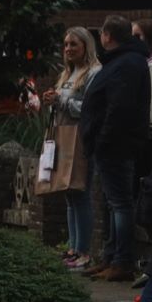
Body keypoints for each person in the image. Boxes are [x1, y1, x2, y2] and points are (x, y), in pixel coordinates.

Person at [80, 16, 151, 282]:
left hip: (116, 145)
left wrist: (103, 139)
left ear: (108, 35)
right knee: (113, 203)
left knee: (121, 203)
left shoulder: (127, 64)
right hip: (111, 144)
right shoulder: (123, 61)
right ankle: (111, 257)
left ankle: (122, 261)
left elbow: (119, 106)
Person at [40, 27, 100, 270]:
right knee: (68, 193)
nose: (68, 49)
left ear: (86, 46)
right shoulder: (68, 73)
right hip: (62, 135)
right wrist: (51, 101)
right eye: (65, 45)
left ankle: (83, 251)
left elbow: (89, 108)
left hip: (80, 137)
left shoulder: (93, 73)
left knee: (80, 193)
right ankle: (73, 247)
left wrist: (61, 100)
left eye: (74, 44)